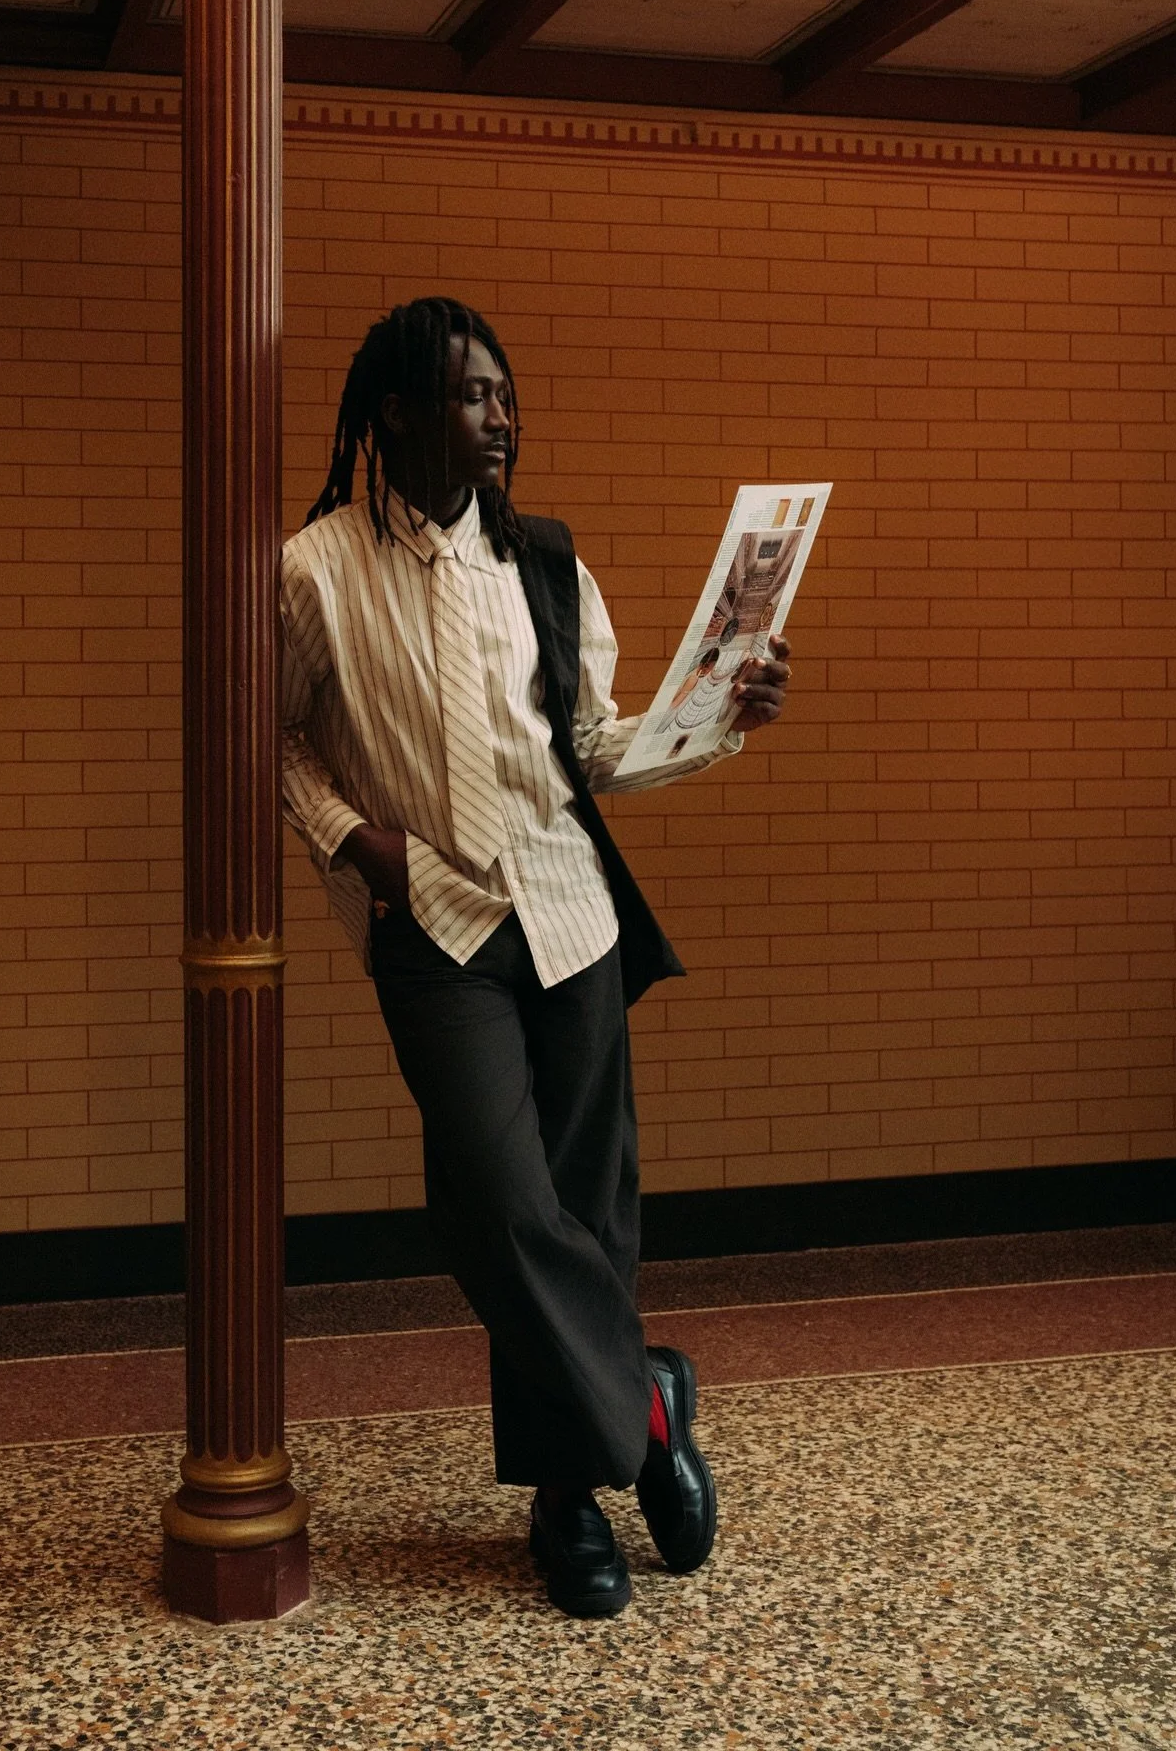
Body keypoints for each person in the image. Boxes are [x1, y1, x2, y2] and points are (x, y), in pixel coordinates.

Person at [280, 298, 791, 1618]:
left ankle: (569, 1498)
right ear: (398, 413)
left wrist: (720, 718)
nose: (501, 416)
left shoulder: (547, 564)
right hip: (435, 929)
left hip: (572, 919)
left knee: (587, 1213)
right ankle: (649, 1413)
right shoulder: (314, 569)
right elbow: (268, 737)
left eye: (506, 394)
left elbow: (596, 748)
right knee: (499, 1208)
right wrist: (353, 841)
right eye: (473, 394)